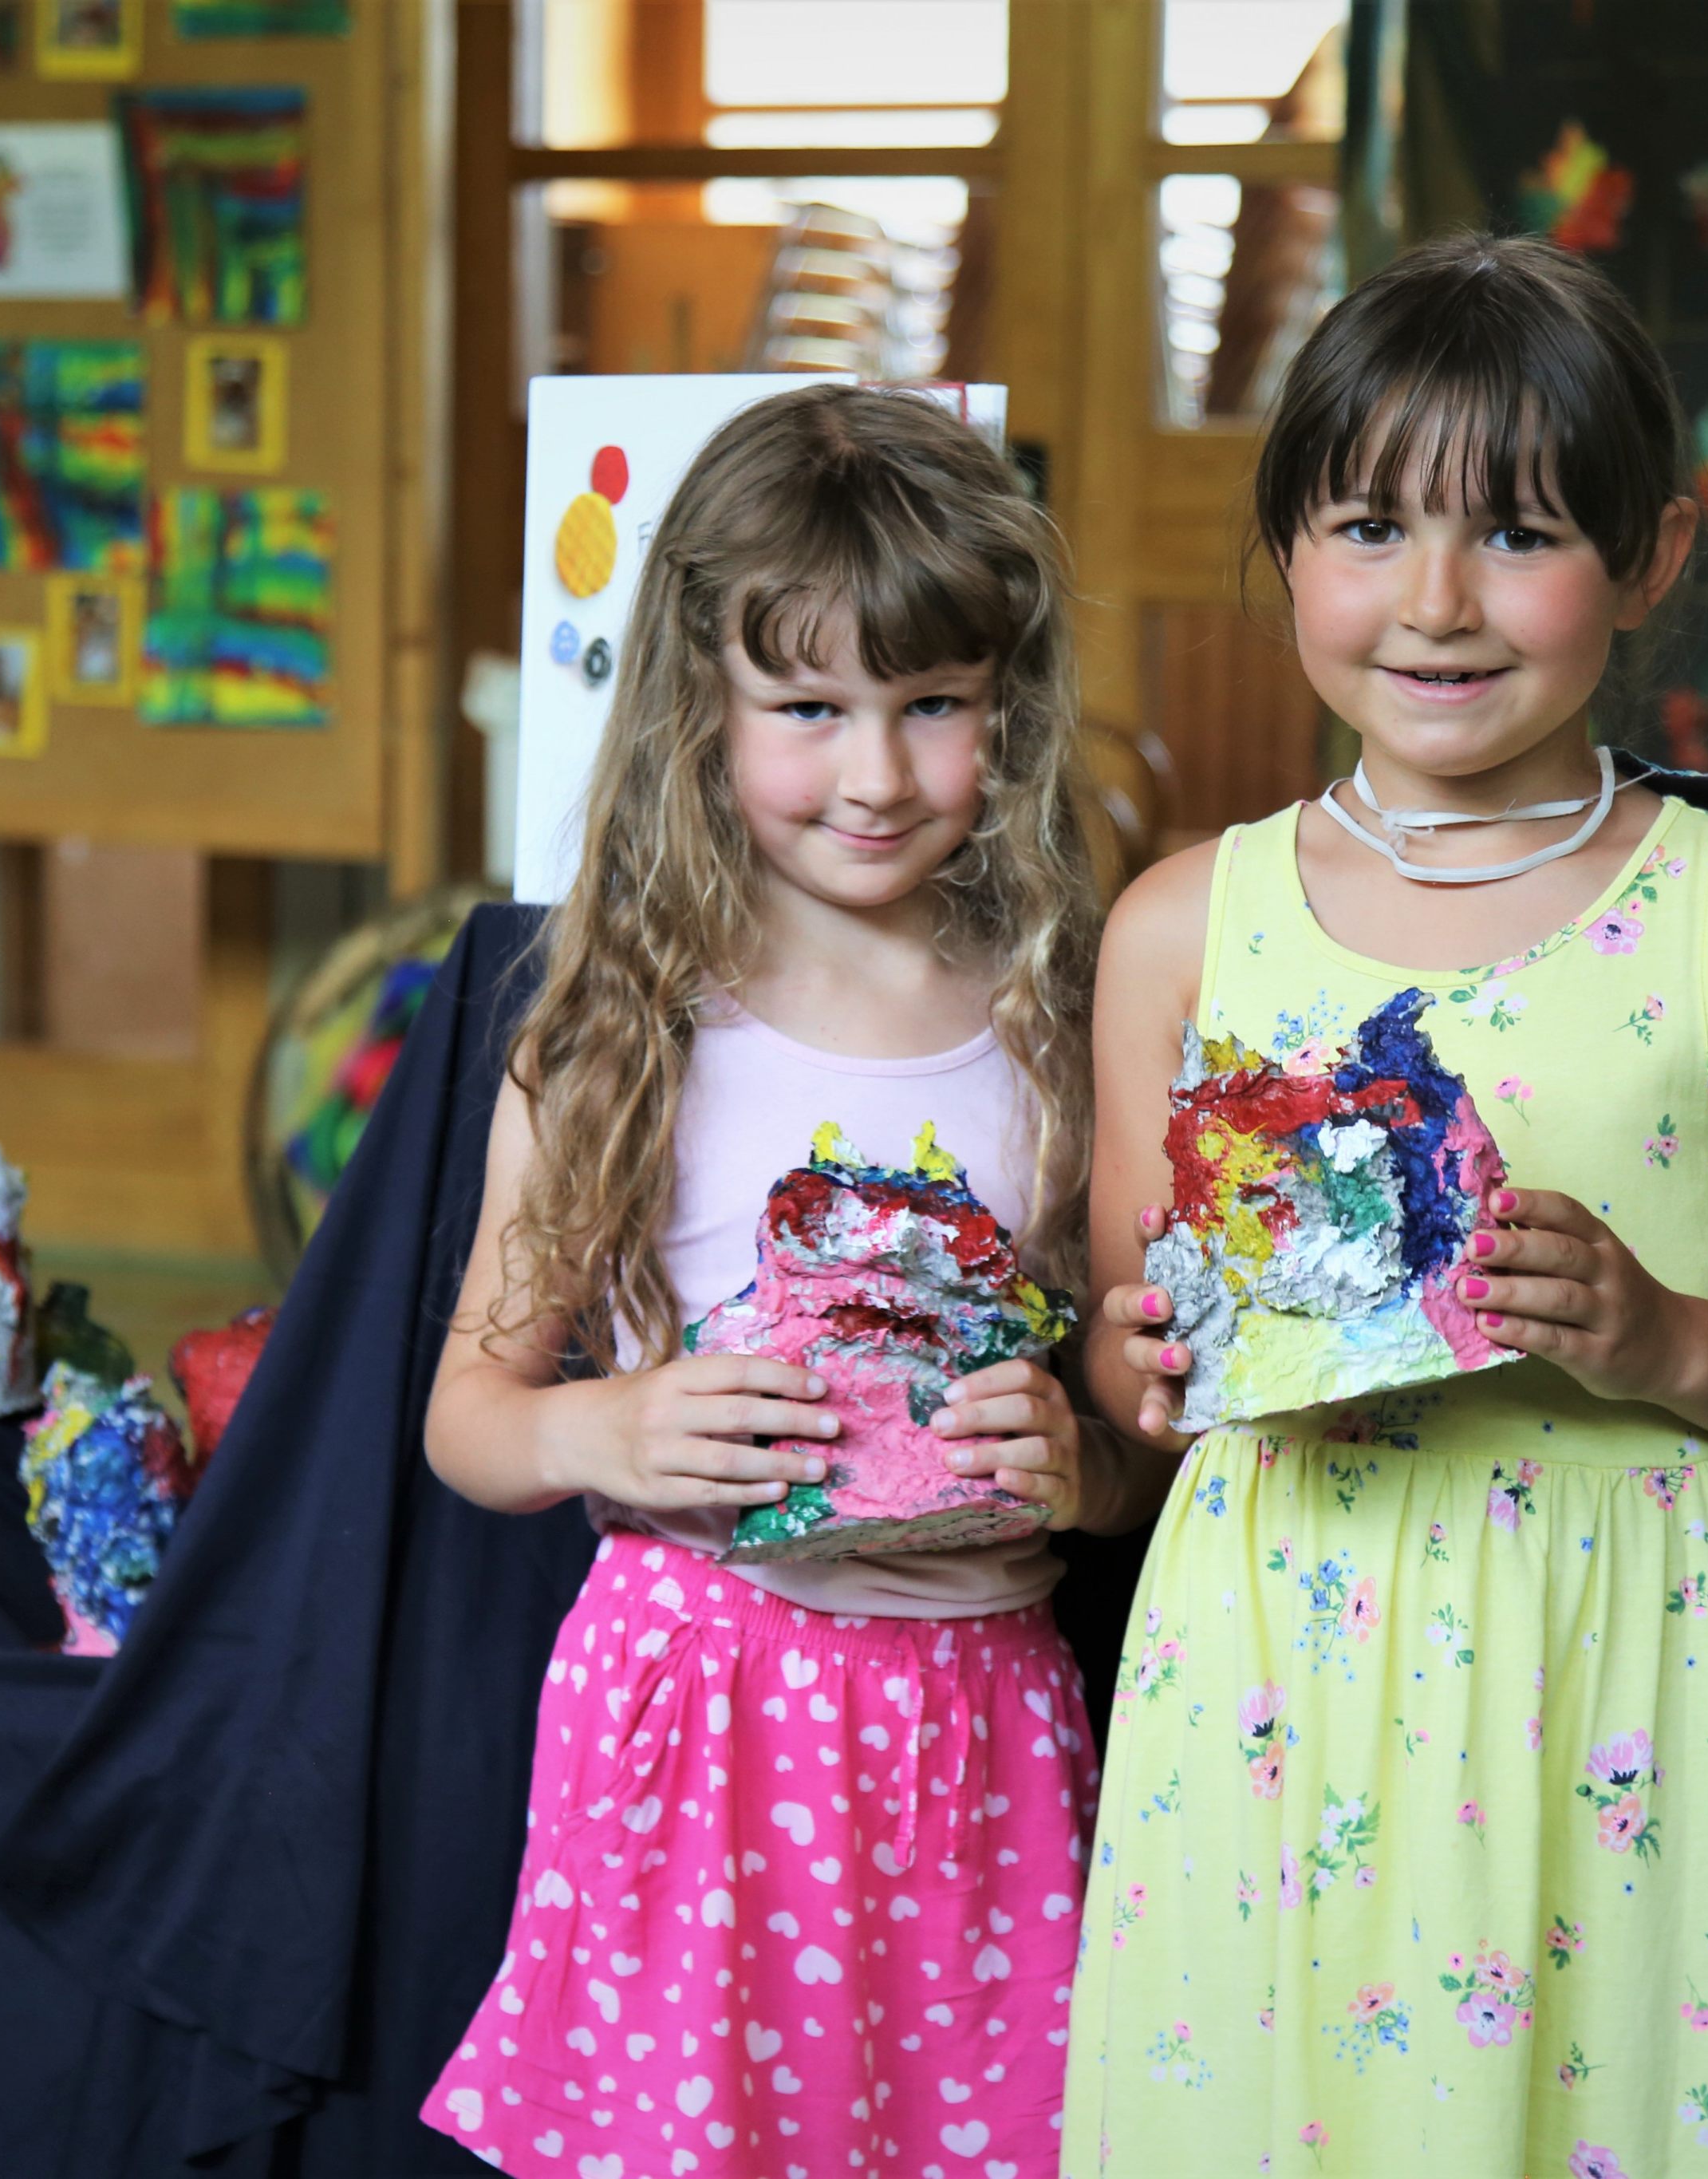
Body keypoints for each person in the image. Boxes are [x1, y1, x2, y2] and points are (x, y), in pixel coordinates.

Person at [1067, 234, 1708, 2177]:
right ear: (1287, 545)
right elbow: (1139, 1355)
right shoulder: (1179, 927)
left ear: (1651, 558)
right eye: (1369, 526)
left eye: (1521, 532)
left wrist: (1667, 1338)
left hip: (1619, 1661)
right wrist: (1133, 1364)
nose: (1437, 600)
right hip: (1272, 1656)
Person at [420, 383, 1158, 2179]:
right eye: (809, 708)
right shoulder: (619, 1036)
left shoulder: (1063, 1025)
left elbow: (1147, 1436)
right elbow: (468, 1418)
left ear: (1009, 705)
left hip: (982, 1714)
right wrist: (607, 1428)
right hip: (699, 1709)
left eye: (934, 705)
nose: (877, 775)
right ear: (702, 702)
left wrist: (1085, 1468)